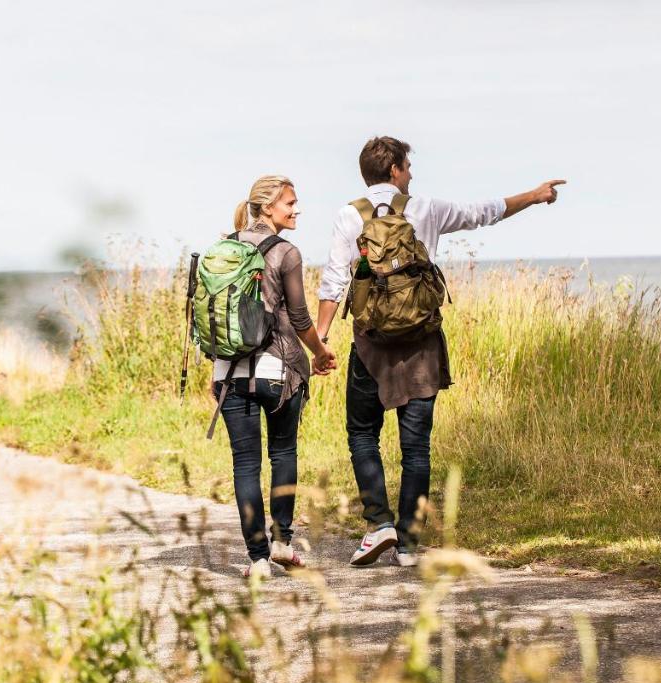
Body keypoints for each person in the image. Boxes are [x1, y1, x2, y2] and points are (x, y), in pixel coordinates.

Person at [316, 137, 564, 567]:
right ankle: (409, 544)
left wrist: (320, 340)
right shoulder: (424, 208)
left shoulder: (348, 215)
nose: (411, 174)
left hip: (370, 344)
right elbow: (482, 213)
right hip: (421, 343)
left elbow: (333, 280)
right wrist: (535, 195)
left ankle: (379, 525)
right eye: (407, 166)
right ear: (393, 169)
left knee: (362, 433)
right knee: (416, 446)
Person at [217, 175, 337, 579]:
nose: (296, 209)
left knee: (245, 465)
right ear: (267, 207)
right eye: (290, 203)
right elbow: (300, 317)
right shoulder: (286, 252)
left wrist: (217, 370)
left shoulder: (225, 248)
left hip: (229, 374)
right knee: (283, 454)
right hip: (277, 372)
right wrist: (319, 352)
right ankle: (282, 543)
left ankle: (257, 560)